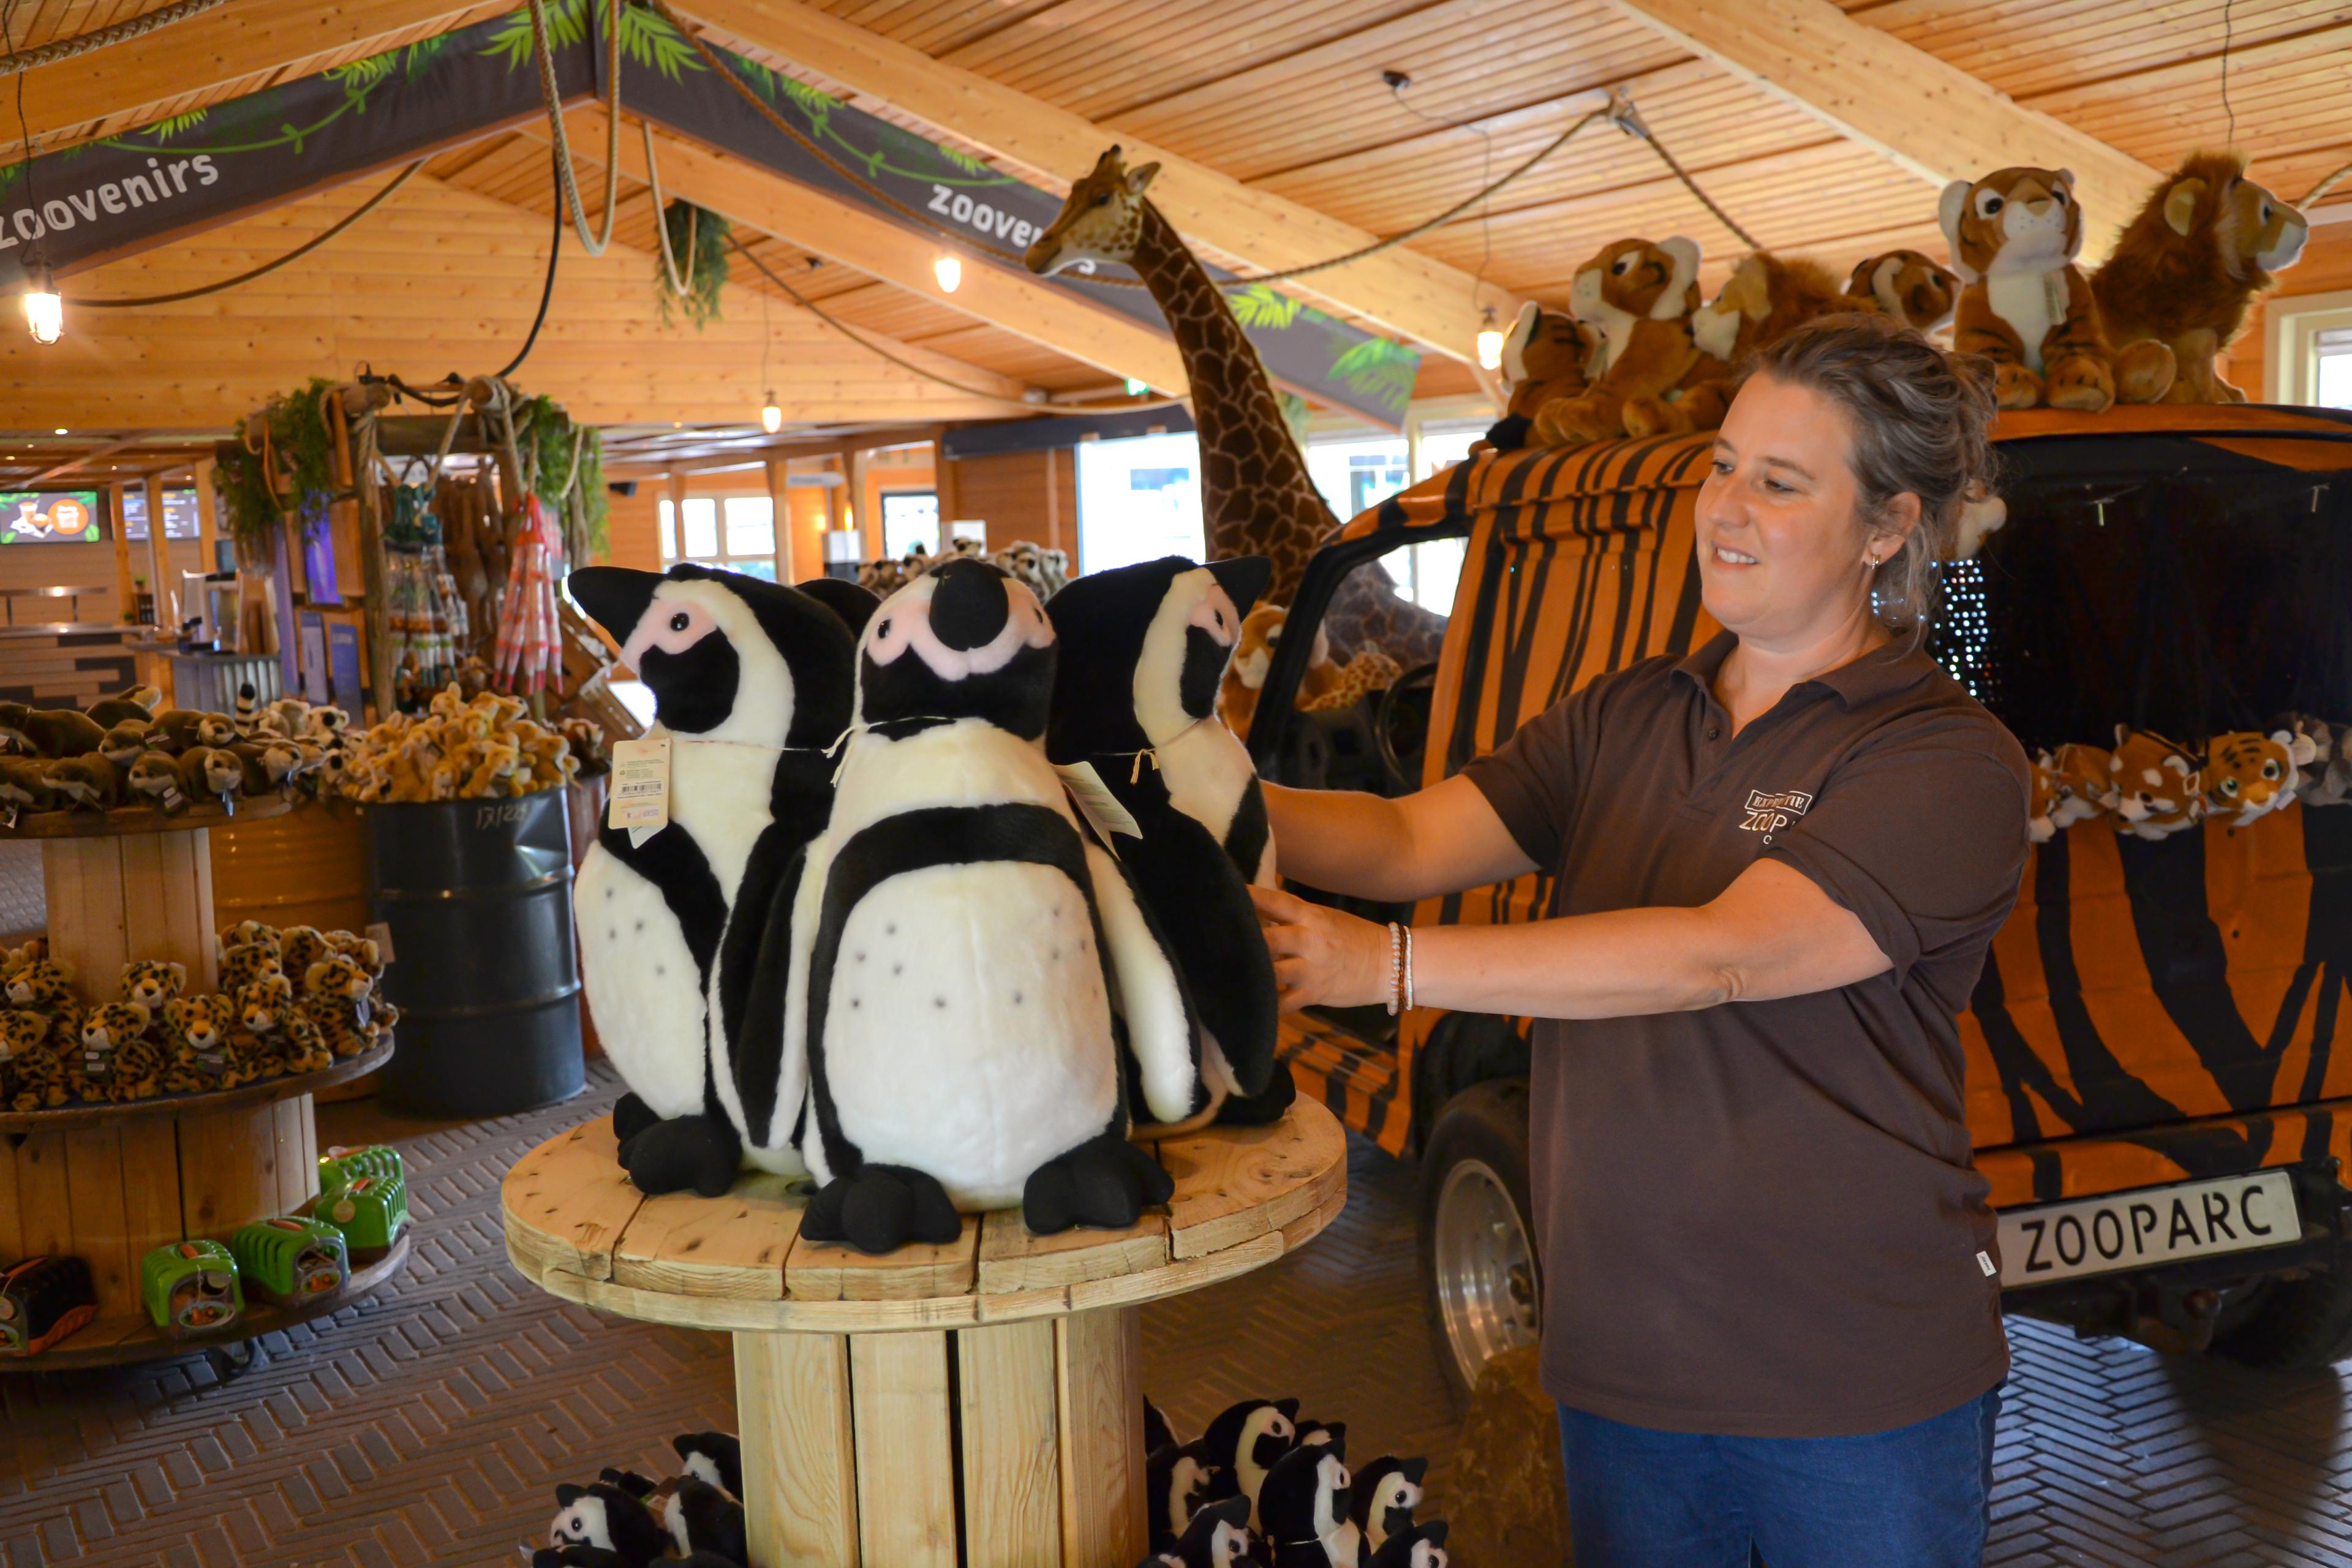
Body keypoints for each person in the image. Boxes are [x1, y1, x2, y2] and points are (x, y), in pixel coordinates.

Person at [1254, 315, 2027, 1567]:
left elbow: (1722, 955)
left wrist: (1386, 966)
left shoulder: (1941, 755)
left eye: (1781, 482)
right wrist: (1187, 796)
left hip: (1852, 1376)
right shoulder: (1632, 711)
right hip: (1624, 1365)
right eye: (1723, 465)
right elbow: (1402, 841)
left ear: (1888, 526)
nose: (1726, 507)